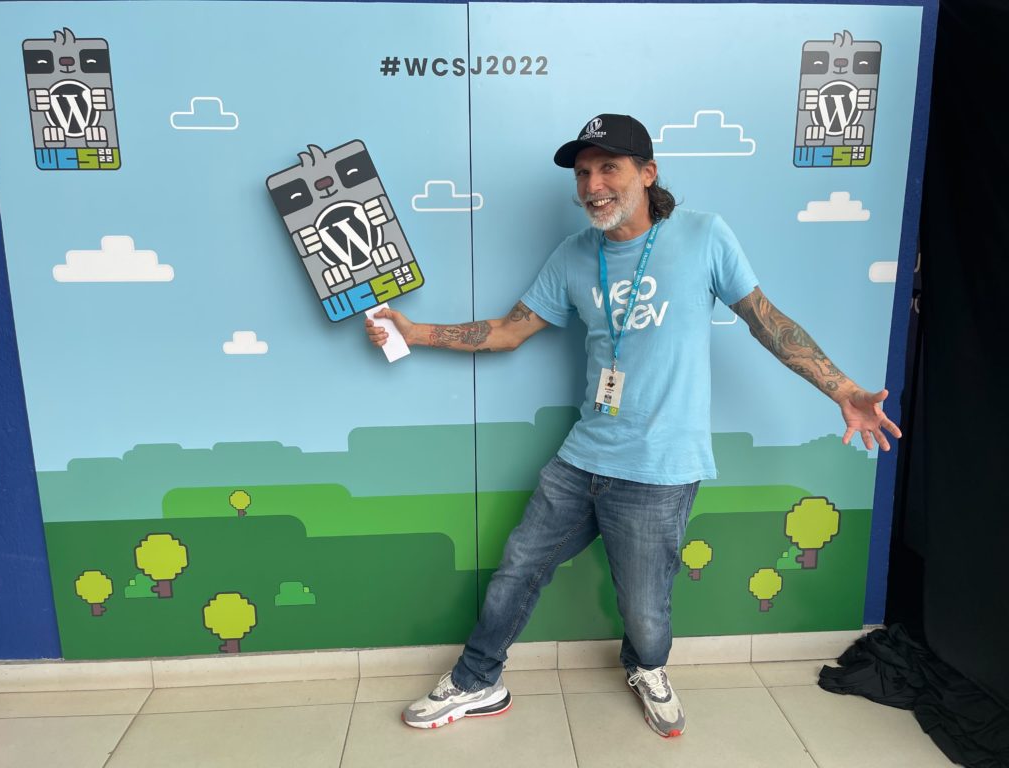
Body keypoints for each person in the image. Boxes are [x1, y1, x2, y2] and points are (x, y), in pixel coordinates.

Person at [364, 113, 902, 737]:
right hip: (582, 458)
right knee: (517, 566)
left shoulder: (703, 236)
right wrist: (416, 331)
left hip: (661, 471)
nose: (593, 184)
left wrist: (842, 389)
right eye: (584, 172)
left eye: (608, 168)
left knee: (646, 615)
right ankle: (479, 679)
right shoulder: (572, 255)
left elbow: (765, 320)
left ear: (647, 174)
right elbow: (509, 330)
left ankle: (646, 667)